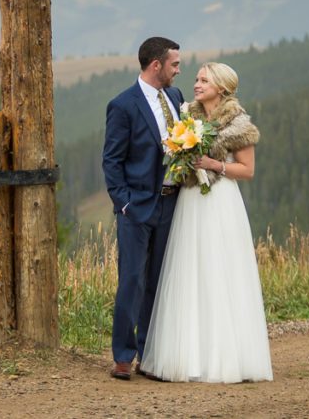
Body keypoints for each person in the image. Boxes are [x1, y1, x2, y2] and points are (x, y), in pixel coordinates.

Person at [139, 61, 273, 383]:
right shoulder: (189, 116)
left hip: (221, 202)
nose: (196, 84)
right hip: (191, 201)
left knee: (220, 270)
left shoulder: (239, 123)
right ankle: (187, 356)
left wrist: (214, 164)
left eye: (204, 80)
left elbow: (248, 170)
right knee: (189, 270)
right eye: (197, 79)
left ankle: (224, 357)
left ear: (222, 88)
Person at [102, 36, 184, 380]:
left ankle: (149, 354)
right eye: (174, 64)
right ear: (156, 65)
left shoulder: (176, 98)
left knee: (158, 281)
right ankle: (123, 356)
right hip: (136, 208)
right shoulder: (123, 105)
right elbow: (112, 160)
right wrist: (124, 204)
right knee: (132, 280)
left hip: (171, 204)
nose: (178, 70)